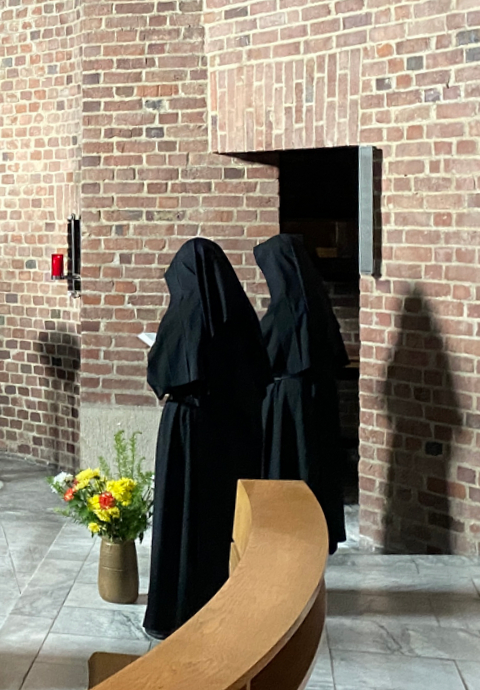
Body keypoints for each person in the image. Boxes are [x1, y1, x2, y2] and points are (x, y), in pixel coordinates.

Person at [143, 237, 271, 639]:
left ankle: (172, 612)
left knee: (180, 517)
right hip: (227, 433)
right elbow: (258, 376)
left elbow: (160, 375)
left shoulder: (181, 317)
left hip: (185, 431)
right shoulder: (239, 317)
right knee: (216, 520)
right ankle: (221, 602)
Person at [255, 233, 349, 552]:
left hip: (287, 404)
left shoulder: (283, 311)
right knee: (315, 465)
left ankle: (287, 533)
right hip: (318, 397)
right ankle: (317, 531)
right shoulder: (318, 306)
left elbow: (261, 357)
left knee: (289, 468)